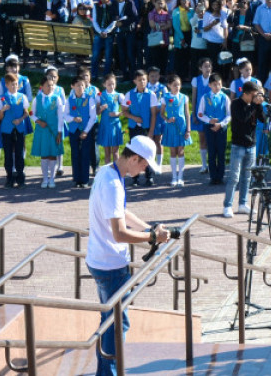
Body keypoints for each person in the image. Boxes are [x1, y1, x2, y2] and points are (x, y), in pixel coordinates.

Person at [86, 136, 169, 376]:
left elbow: (119, 211)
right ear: (134, 158)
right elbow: (120, 233)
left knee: (109, 321)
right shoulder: (113, 183)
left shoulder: (108, 172)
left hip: (100, 259)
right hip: (110, 265)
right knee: (116, 324)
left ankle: (106, 372)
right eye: (144, 165)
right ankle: (109, 373)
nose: (144, 171)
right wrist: (152, 238)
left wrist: (147, 229)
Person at [225, 78, 267, 218]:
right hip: (238, 145)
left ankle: (243, 204)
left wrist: (259, 105)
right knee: (234, 177)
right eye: (255, 94)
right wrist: (254, 105)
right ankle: (228, 205)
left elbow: (263, 119)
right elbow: (243, 117)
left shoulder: (254, 105)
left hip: (251, 145)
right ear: (247, 94)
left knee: (247, 177)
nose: (256, 97)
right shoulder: (236, 104)